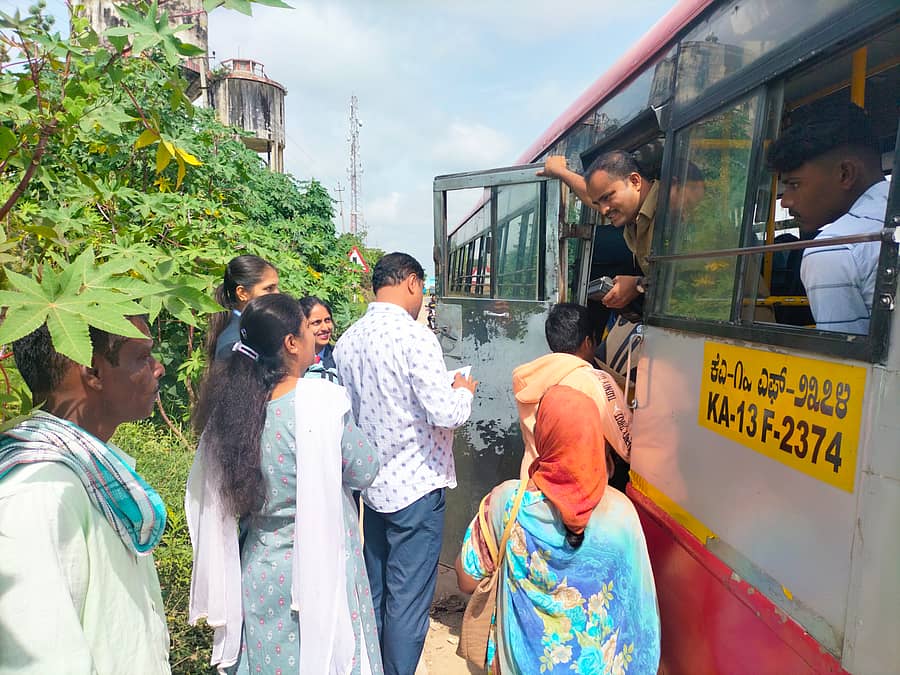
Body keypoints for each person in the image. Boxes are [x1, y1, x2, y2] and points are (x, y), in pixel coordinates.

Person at [186, 294, 383, 674]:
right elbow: (365, 469)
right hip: (323, 569)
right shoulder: (321, 402)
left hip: (261, 570)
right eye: (307, 328)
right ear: (292, 343)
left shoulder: (234, 410)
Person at [334, 252, 477, 675]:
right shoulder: (416, 338)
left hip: (373, 489)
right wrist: (463, 390)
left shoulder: (348, 340)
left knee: (377, 592)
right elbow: (445, 413)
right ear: (413, 283)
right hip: (416, 487)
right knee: (408, 602)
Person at [0, 318, 169, 673]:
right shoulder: (38, 491)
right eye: (142, 357)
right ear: (93, 371)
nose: (158, 368)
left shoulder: (85, 474)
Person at [455, 385, 660, 674]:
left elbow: (467, 579)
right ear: (596, 438)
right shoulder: (622, 515)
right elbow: (640, 611)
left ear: (544, 437)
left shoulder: (507, 503)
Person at [767, 100, 889, 334]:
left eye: (794, 184)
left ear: (845, 174)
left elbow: (845, 355)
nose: (785, 201)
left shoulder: (833, 249)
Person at [512, 303, 632, 489]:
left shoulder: (530, 377)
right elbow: (627, 444)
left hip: (532, 483)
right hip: (575, 490)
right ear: (588, 342)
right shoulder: (595, 381)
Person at [539, 150, 658, 310]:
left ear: (635, 181)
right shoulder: (633, 215)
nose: (603, 210)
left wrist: (638, 285)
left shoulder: (673, 207)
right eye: (598, 203)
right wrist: (561, 172)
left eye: (607, 197)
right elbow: (592, 196)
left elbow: (686, 277)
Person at [205, 255, 280, 360]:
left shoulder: (256, 328)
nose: (277, 294)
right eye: (269, 288)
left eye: (276, 287)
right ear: (242, 293)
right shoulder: (233, 345)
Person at [299, 295, 337, 371]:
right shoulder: (289, 361)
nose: (325, 328)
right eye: (316, 322)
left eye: (327, 320)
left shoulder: (338, 358)